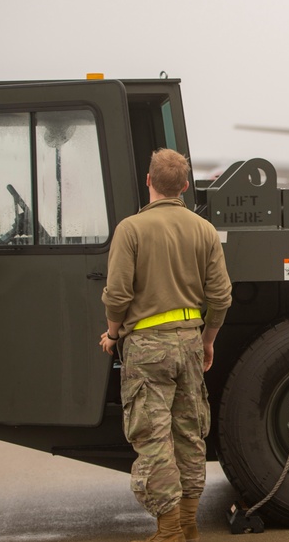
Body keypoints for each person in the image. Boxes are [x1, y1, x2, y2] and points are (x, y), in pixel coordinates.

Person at [99, 148, 232, 542]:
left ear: (148, 180)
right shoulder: (203, 229)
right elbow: (221, 297)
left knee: (154, 440)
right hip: (190, 341)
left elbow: (117, 295)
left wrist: (111, 334)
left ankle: (170, 532)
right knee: (190, 435)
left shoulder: (132, 229)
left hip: (147, 347)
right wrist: (207, 341)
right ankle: (189, 525)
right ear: (186, 187)